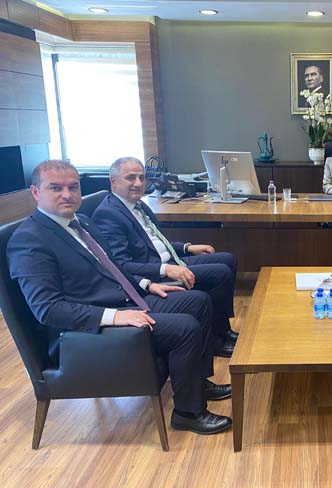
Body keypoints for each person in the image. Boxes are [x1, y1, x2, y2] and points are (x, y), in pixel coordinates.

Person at [7, 160, 233, 435]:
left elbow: (113, 267)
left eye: (73, 187)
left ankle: (195, 383)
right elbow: (48, 309)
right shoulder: (29, 240)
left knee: (197, 301)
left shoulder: (82, 223)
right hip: (83, 332)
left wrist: (147, 284)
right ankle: (188, 412)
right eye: (56, 188)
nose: (67, 194)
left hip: (123, 299)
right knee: (184, 328)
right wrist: (115, 317)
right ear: (35, 192)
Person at [92, 157, 238, 358]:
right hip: (154, 271)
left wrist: (187, 247)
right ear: (113, 181)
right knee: (219, 273)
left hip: (169, 260)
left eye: (141, 177)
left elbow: (157, 242)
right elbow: (121, 265)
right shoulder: (108, 214)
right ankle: (215, 341)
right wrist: (165, 269)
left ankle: (222, 329)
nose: (138, 183)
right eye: (131, 178)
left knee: (228, 259)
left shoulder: (138, 205)